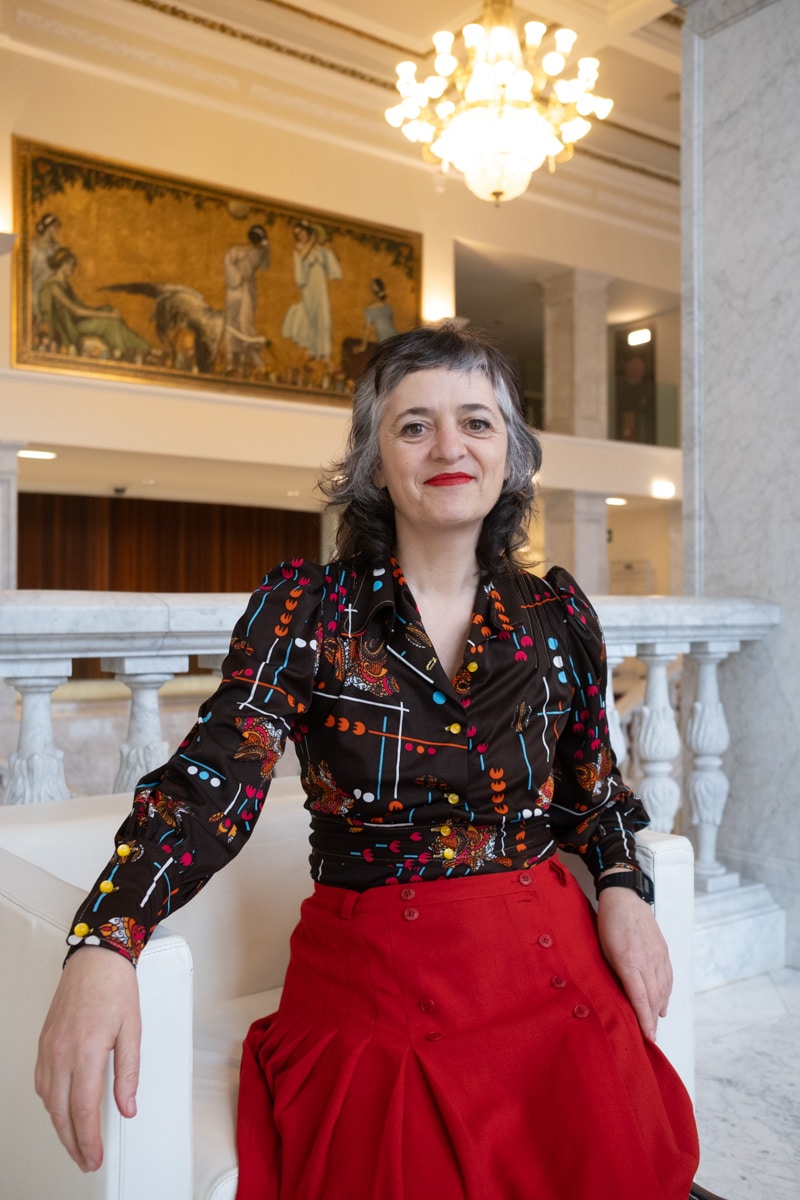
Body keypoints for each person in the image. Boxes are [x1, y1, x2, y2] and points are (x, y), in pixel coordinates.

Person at [36, 324, 700, 1200]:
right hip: (377, 975)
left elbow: (595, 795)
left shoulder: (557, 614)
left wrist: (623, 888)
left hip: (548, 961)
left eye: (477, 422)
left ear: (510, 454)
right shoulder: (308, 609)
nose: (449, 446)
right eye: (414, 426)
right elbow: (213, 784)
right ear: (375, 464)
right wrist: (105, 939)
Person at [38, 247, 151, 362]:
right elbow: (76, 311)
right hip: (70, 328)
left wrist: (103, 311)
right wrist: (109, 315)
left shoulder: (64, 284)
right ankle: (122, 353)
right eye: (69, 264)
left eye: (73, 264)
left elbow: (81, 307)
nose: (72, 267)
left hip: (76, 322)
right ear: (61, 264)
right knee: (109, 322)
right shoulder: (54, 287)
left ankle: (140, 347)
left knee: (109, 311)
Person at [281, 219, 342, 361]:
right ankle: (313, 350)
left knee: (324, 315)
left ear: (308, 232)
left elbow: (332, 267)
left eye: (302, 232)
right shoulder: (299, 249)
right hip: (309, 287)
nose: (300, 236)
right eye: (297, 234)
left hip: (320, 285)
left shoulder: (319, 250)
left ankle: (324, 352)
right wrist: (312, 241)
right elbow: (300, 269)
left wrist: (329, 252)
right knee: (311, 316)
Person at [223, 223, 271, 374]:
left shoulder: (261, 252)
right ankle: (232, 357)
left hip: (248, 288)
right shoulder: (238, 250)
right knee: (232, 321)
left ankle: (250, 354)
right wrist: (236, 278)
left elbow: (265, 266)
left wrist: (267, 248)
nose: (261, 243)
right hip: (235, 288)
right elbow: (228, 261)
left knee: (245, 319)